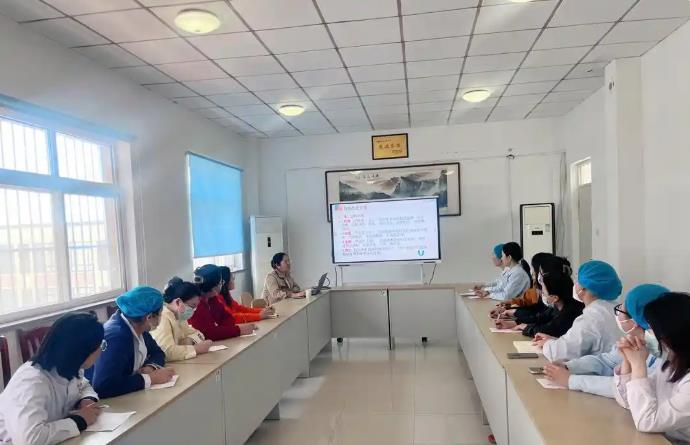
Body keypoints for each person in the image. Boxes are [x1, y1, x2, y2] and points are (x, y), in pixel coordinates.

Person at [543, 284, 669, 398]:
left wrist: (571, 380)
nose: (618, 315)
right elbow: (608, 361)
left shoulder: (667, 355)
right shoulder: (638, 340)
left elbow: (626, 388)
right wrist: (570, 366)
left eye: (621, 311)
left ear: (635, 321)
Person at [0, 313, 105, 445]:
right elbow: (30, 440)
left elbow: (83, 385)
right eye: (101, 346)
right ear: (82, 351)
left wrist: (86, 399)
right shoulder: (32, 382)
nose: (101, 351)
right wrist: (80, 420)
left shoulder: (70, 367)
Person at [614, 292, 690, 443]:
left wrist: (638, 365)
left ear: (672, 334)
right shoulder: (671, 362)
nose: (647, 332)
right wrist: (627, 361)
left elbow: (646, 421)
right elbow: (629, 402)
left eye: (650, 328)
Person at [87, 287, 175, 398]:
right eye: (160, 313)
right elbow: (103, 386)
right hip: (103, 401)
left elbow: (158, 353)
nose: (160, 317)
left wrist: (151, 367)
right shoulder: (117, 337)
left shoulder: (139, 326)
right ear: (149, 317)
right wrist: (150, 379)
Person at [533, 260, 622, 362]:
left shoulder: (591, 318)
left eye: (577, 280)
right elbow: (580, 345)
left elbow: (561, 353)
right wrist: (554, 341)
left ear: (583, 287)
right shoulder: (615, 309)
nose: (575, 283)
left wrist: (547, 345)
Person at [496, 268, 583, 339]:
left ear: (555, 298)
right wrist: (515, 323)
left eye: (544, 292)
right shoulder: (558, 307)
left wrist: (526, 327)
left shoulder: (570, 313)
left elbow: (548, 330)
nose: (542, 294)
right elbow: (539, 318)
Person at [151, 277, 213, 362]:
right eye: (192, 306)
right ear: (178, 302)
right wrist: (196, 349)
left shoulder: (179, 316)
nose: (193, 310)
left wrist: (190, 340)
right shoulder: (162, 317)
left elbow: (199, 334)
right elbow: (166, 352)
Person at [189, 264, 255, 340]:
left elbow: (228, 318)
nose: (222, 284)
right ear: (214, 287)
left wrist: (223, 330)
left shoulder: (212, 298)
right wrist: (238, 330)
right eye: (221, 282)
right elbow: (209, 333)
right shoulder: (196, 304)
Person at [490, 252, 551, 320]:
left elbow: (507, 295)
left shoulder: (518, 273)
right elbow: (528, 304)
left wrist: (512, 312)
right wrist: (508, 308)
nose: (501, 258)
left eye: (503, 256)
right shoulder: (536, 289)